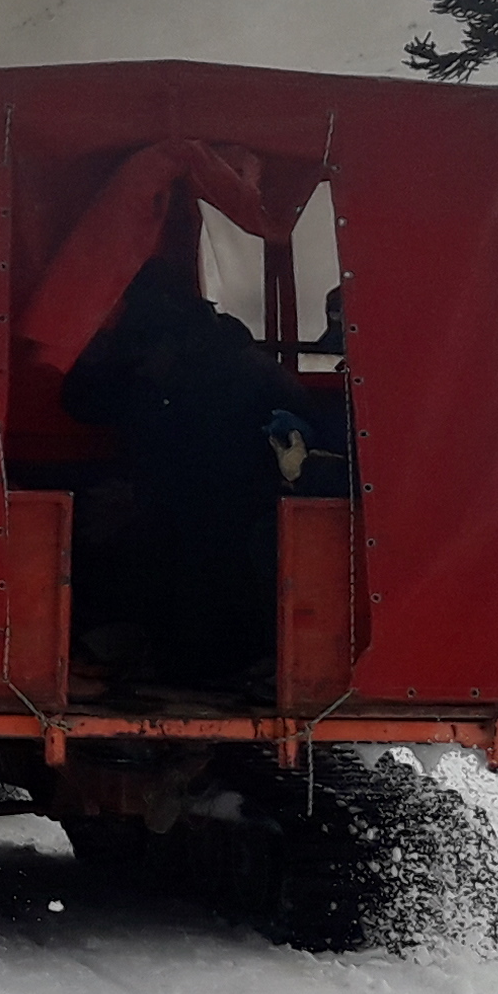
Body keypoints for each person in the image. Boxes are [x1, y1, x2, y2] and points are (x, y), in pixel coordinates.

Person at [60, 255, 306, 694]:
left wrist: (141, 500)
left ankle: (186, 664)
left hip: (237, 508)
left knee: (186, 548)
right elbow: (84, 401)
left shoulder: (234, 375)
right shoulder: (157, 364)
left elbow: (222, 474)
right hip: (175, 497)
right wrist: (92, 346)